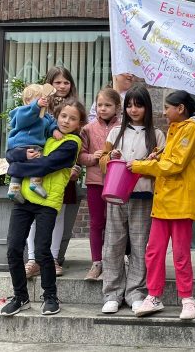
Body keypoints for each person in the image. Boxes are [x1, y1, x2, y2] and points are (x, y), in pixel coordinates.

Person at [0, 99, 87, 317]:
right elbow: (11, 152)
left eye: (73, 118)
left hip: (47, 201)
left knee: (41, 251)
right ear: (57, 116)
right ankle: (20, 297)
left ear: (79, 123)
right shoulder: (44, 134)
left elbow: (45, 165)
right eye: (64, 116)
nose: (66, 121)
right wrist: (17, 158)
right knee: (13, 249)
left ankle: (50, 296)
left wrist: (17, 166)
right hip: (24, 199)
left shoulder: (72, 143)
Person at [131, 90, 195, 320]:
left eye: (167, 107)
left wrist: (140, 166)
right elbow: (169, 161)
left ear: (181, 108)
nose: (164, 112)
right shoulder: (177, 130)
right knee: (153, 252)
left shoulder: (192, 130)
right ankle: (153, 295)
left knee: (181, 254)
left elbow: (175, 165)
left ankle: (187, 298)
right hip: (165, 200)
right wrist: (156, 159)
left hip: (181, 201)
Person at [97, 85, 165, 314]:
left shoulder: (157, 135)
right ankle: (112, 293)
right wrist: (111, 156)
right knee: (113, 244)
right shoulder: (116, 132)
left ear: (147, 107)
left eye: (139, 105)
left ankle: (136, 292)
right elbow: (102, 162)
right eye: (129, 105)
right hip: (116, 195)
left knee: (139, 245)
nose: (133, 110)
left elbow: (161, 167)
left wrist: (149, 163)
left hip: (143, 195)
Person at [25, 66, 80, 278]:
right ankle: (32, 259)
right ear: (50, 84)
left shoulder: (75, 108)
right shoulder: (39, 107)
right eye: (57, 82)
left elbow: (81, 142)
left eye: (66, 82)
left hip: (63, 172)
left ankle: (53, 258)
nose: (62, 86)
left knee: (58, 215)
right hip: (38, 167)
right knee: (32, 214)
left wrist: (76, 167)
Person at [78, 88, 122, 281]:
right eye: (100, 105)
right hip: (95, 181)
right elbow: (80, 156)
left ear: (117, 108)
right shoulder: (87, 129)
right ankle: (96, 262)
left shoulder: (122, 127)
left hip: (118, 181)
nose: (103, 109)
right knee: (97, 222)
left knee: (117, 223)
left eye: (108, 105)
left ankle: (117, 261)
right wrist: (91, 158)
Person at [5, 84, 61, 202]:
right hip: (20, 144)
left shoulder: (45, 116)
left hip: (35, 145)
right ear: (27, 101)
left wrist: (54, 130)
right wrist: (35, 106)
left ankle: (22, 186)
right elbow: (22, 120)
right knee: (32, 162)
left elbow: (51, 123)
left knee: (37, 162)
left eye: (44, 99)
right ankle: (25, 185)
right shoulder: (21, 111)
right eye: (38, 98)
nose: (42, 101)